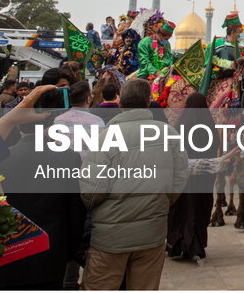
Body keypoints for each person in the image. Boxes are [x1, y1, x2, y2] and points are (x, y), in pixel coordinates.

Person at [79, 78, 188, 290]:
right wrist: (159, 202)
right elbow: (178, 182)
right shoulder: (169, 135)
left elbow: (91, 193)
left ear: (120, 103)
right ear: (149, 102)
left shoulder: (105, 138)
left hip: (109, 238)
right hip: (152, 234)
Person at [0, 84, 87, 291]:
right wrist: (68, 253)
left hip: (6, 259)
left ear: (19, 125)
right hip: (50, 258)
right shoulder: (68, 157)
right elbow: (76, 213)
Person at [166, 91, 220, 262]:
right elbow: (215, 147)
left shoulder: (181, 125)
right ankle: (196, 245)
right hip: (203, 177)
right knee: (200, 209)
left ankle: (179, 243)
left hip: (184, 177)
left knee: (182, 208)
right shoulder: (209, 125)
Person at [201, 11, 244, 95]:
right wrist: (226, 65)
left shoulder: (241, 47)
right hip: (217, 80)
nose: (241, 35)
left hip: (236, 81)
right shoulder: (215, 44)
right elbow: (208, 66)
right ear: (233, 33)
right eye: (240, 32)